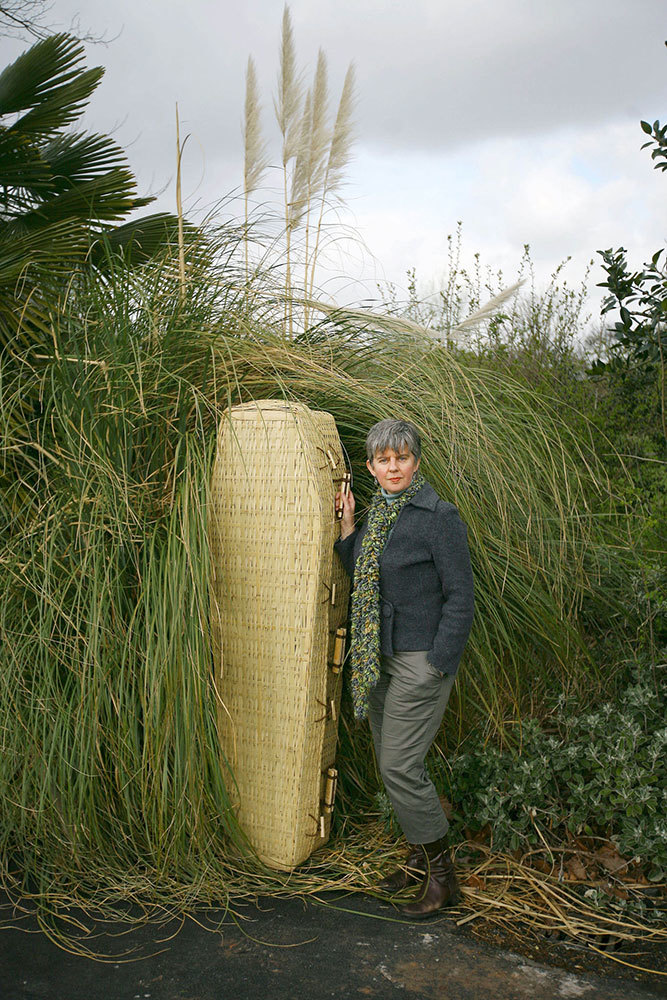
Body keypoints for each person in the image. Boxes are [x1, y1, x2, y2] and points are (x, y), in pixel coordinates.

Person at [334, 418, 474, 918]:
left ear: (416, 462)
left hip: (420, 662)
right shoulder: (377, 517)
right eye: (383, 459)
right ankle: (416, 860)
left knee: (400, 766)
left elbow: (461, 598)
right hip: (380, 657)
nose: (393, 467)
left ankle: (442, 876)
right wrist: (350, 524)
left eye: (402, 457)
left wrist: (439, 663)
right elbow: (365, 576)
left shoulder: (438, 516)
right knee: (388, 763)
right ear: (371, 468)